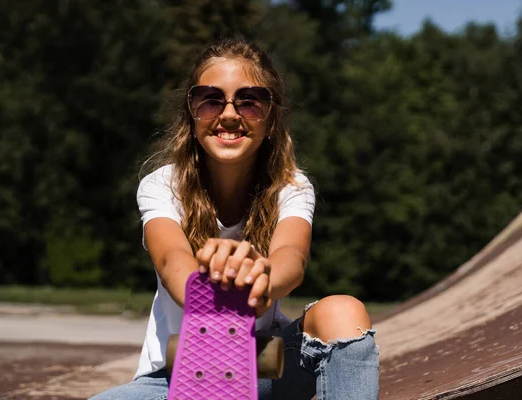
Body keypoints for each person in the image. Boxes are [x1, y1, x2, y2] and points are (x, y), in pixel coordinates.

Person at [91, 38, 379, 400]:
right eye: (211, 100)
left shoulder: (290, 187)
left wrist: (261, 278)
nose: (229, 114)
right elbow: (171, 260)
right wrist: (209, 286)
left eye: (250, 102)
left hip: (263, 367)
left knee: (343, 310)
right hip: (177, 374)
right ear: (191, 114)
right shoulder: (162, 185)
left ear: (271, 118)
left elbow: (293, 256)